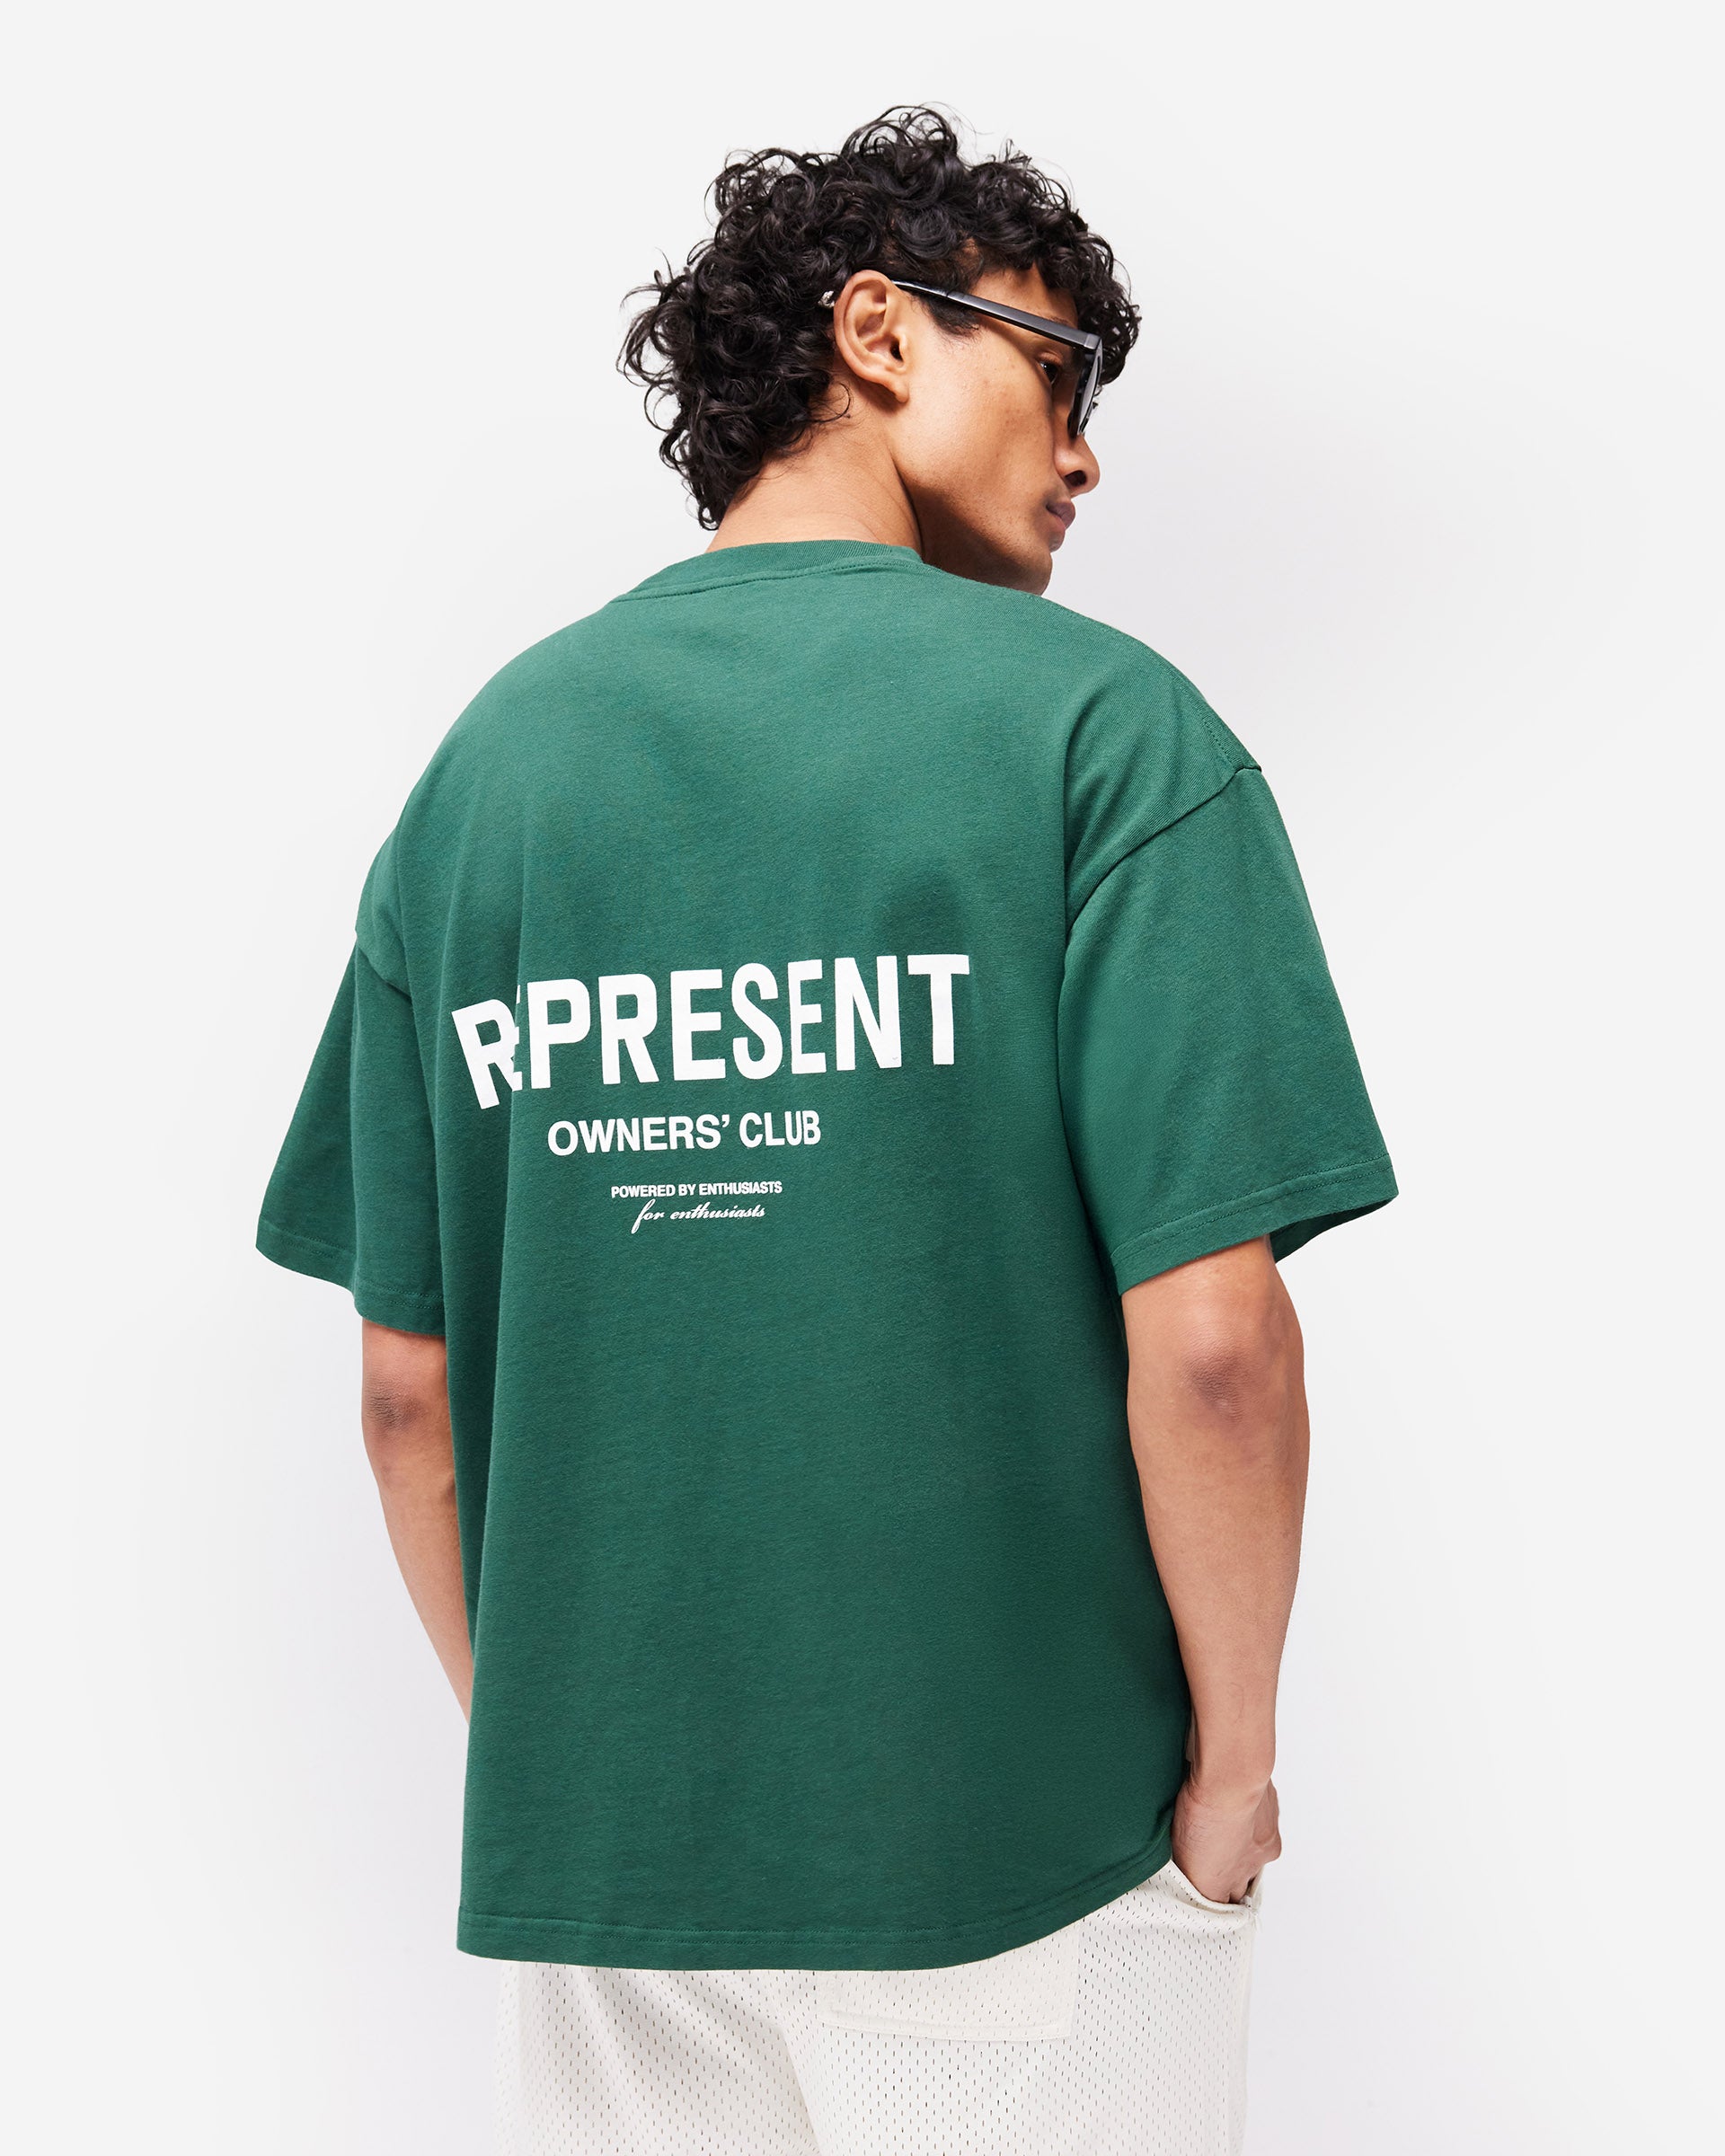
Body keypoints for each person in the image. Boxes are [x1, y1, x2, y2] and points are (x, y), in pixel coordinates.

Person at [258, 106, 1396, 2156]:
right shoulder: (1101, 733)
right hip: (1028, 1849)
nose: (1086, 453)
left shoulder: (483, 779)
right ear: (879, 333)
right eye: (1058, 371)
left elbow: (406, 1395)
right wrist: (1232, 1779)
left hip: (619, 1880)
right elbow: (1218, 1348)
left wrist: (576, 1755)